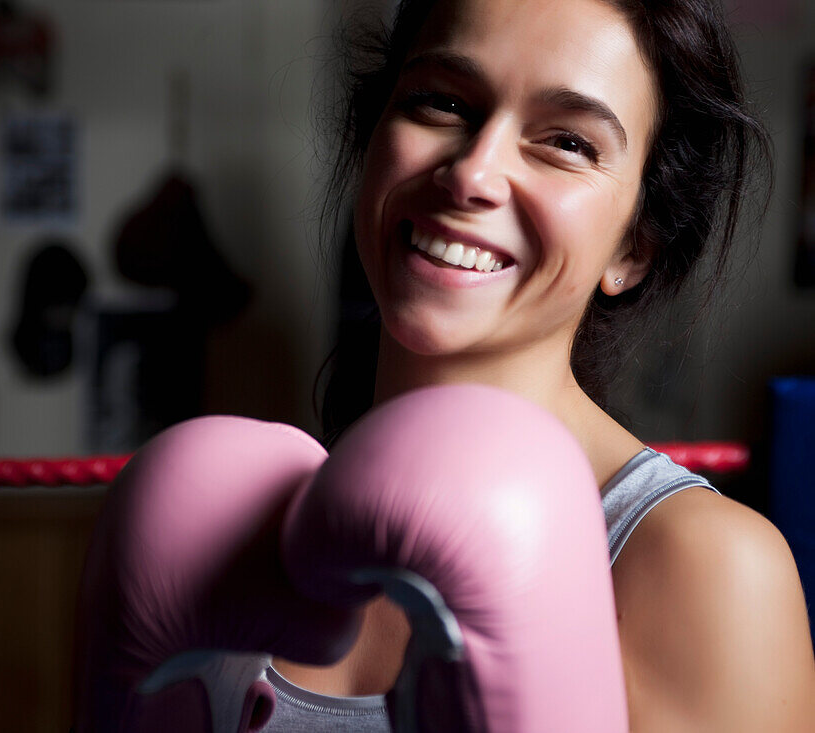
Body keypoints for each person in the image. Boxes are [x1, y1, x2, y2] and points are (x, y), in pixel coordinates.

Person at [263, 0, 815, 730]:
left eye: (568, 143)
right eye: (441, 101)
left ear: (634, 247)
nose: (472, 172)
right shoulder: (242, 521)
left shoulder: (706, 569)